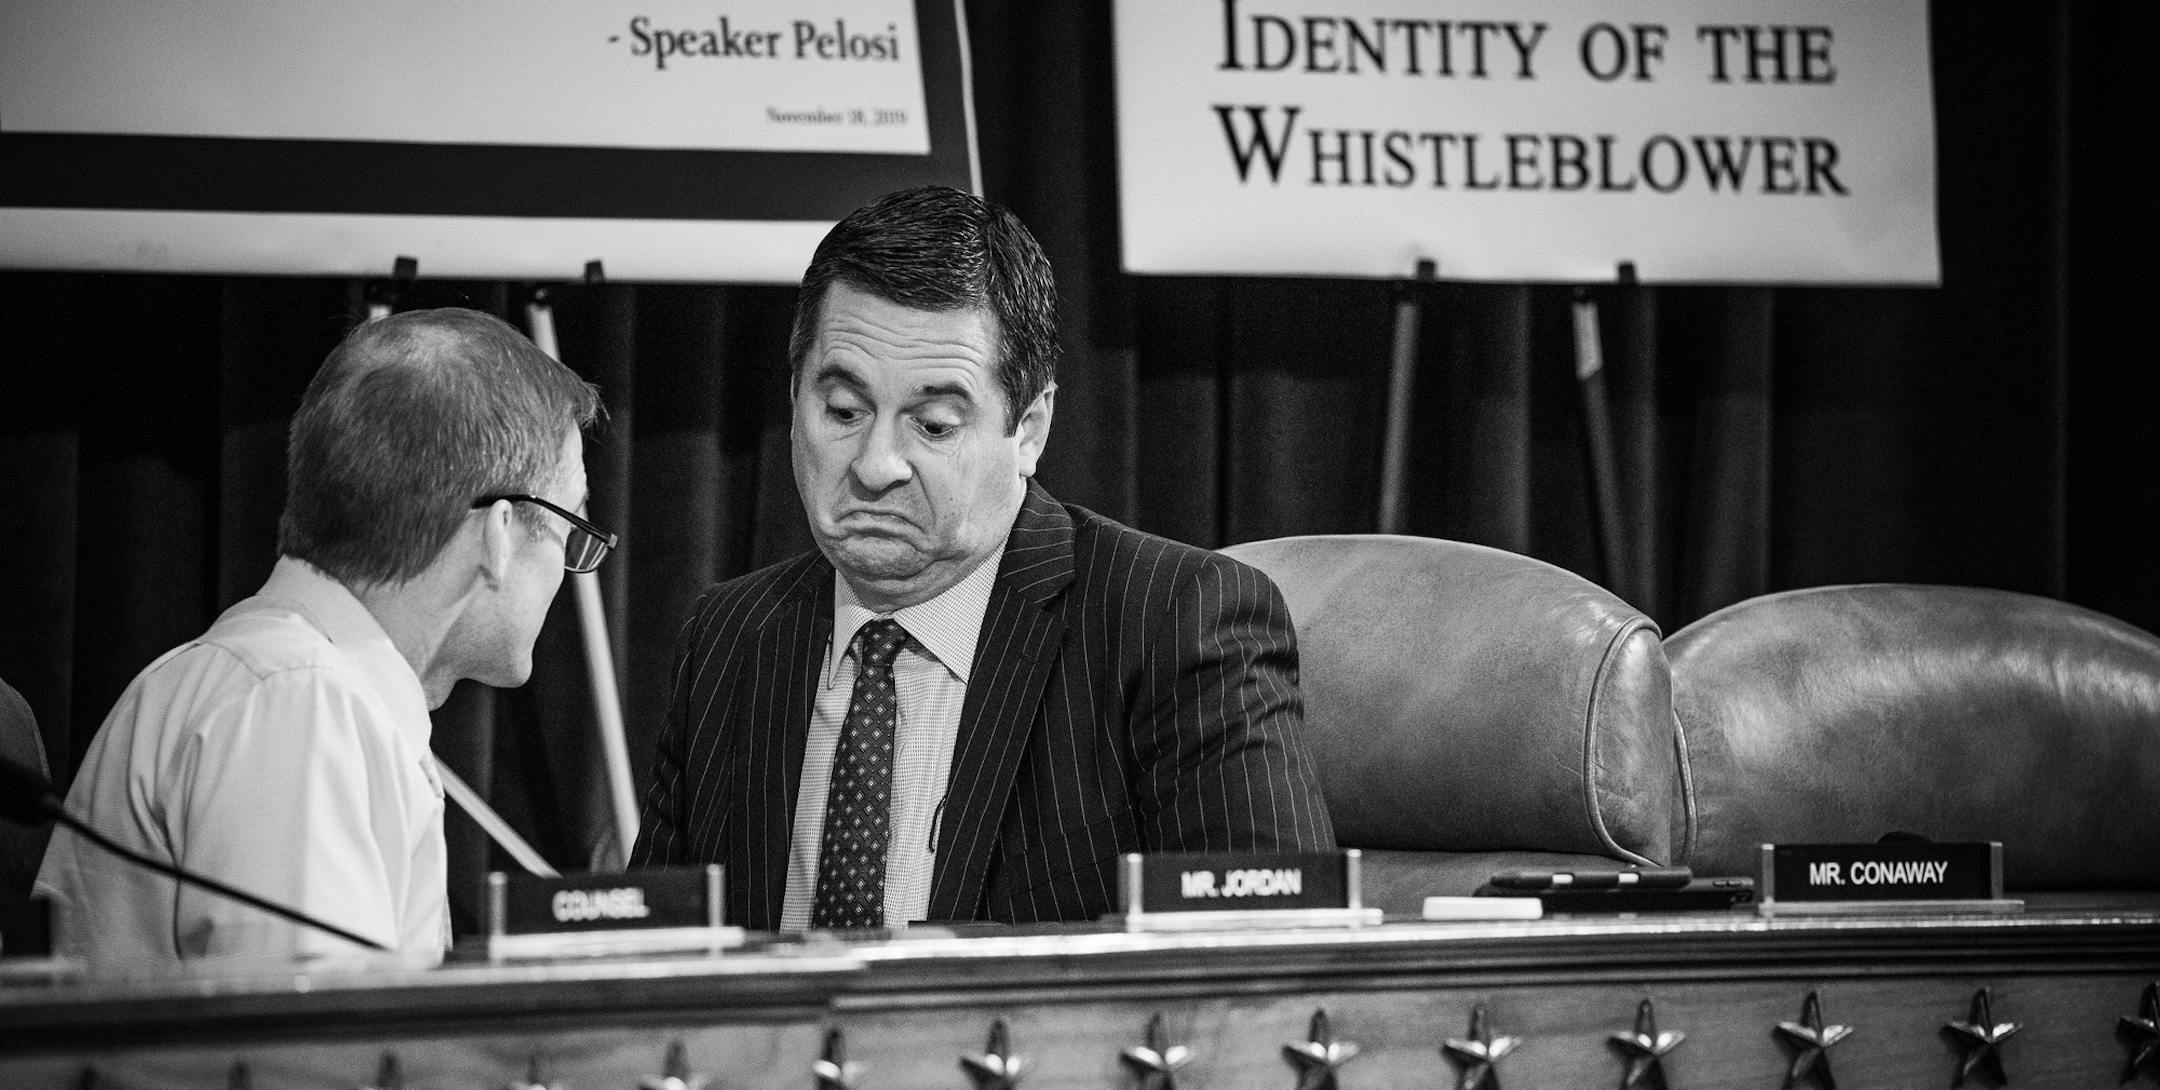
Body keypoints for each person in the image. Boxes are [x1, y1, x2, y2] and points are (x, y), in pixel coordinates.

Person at [632, 186, 1334, 929]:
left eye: (933, 425)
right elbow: (654, 967)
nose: (876, 465)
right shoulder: (731, 637)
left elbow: (1275, 959)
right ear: (794, 395)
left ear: (1028, 430)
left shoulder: (1171, 626)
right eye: (842, 411)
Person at [34, 308, 607, 974]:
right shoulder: (298, 708)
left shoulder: (298, 686)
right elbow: (314, 1059)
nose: (571, 564)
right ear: (499, 535)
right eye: (573, 525)